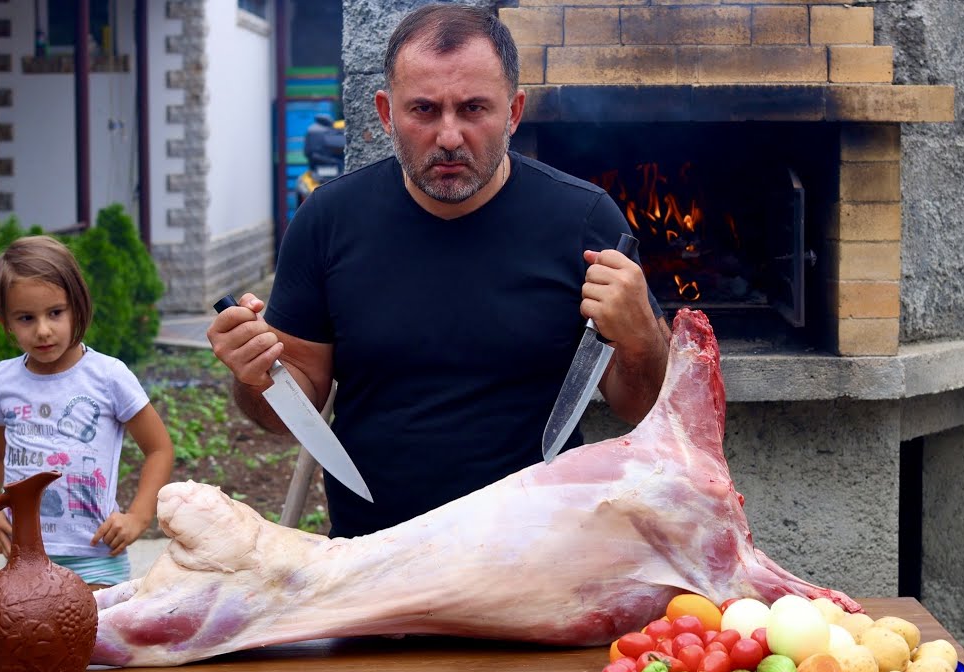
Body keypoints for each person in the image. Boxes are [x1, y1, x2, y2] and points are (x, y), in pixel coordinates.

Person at [209, 4, 669, 538]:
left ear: (515, 111)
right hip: (376, 552)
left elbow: (640, 405)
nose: (449, 136)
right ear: (385, 113)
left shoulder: (584, 220)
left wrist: (641, 340)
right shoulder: (328, 221)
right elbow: (286, 410)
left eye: (474, 108)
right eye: (424, 110)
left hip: (542, 551)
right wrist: (256, 377)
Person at [0, 235, 174, 590]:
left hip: (95, 558)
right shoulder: (4, 380)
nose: (43, 330)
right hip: (23, 558)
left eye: (55, 312)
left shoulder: (108, 376)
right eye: (25, 318)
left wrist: (138, 517)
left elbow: (159, 449)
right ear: (4, 319)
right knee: (31, 643)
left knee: (93, 645)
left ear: (77, 306)